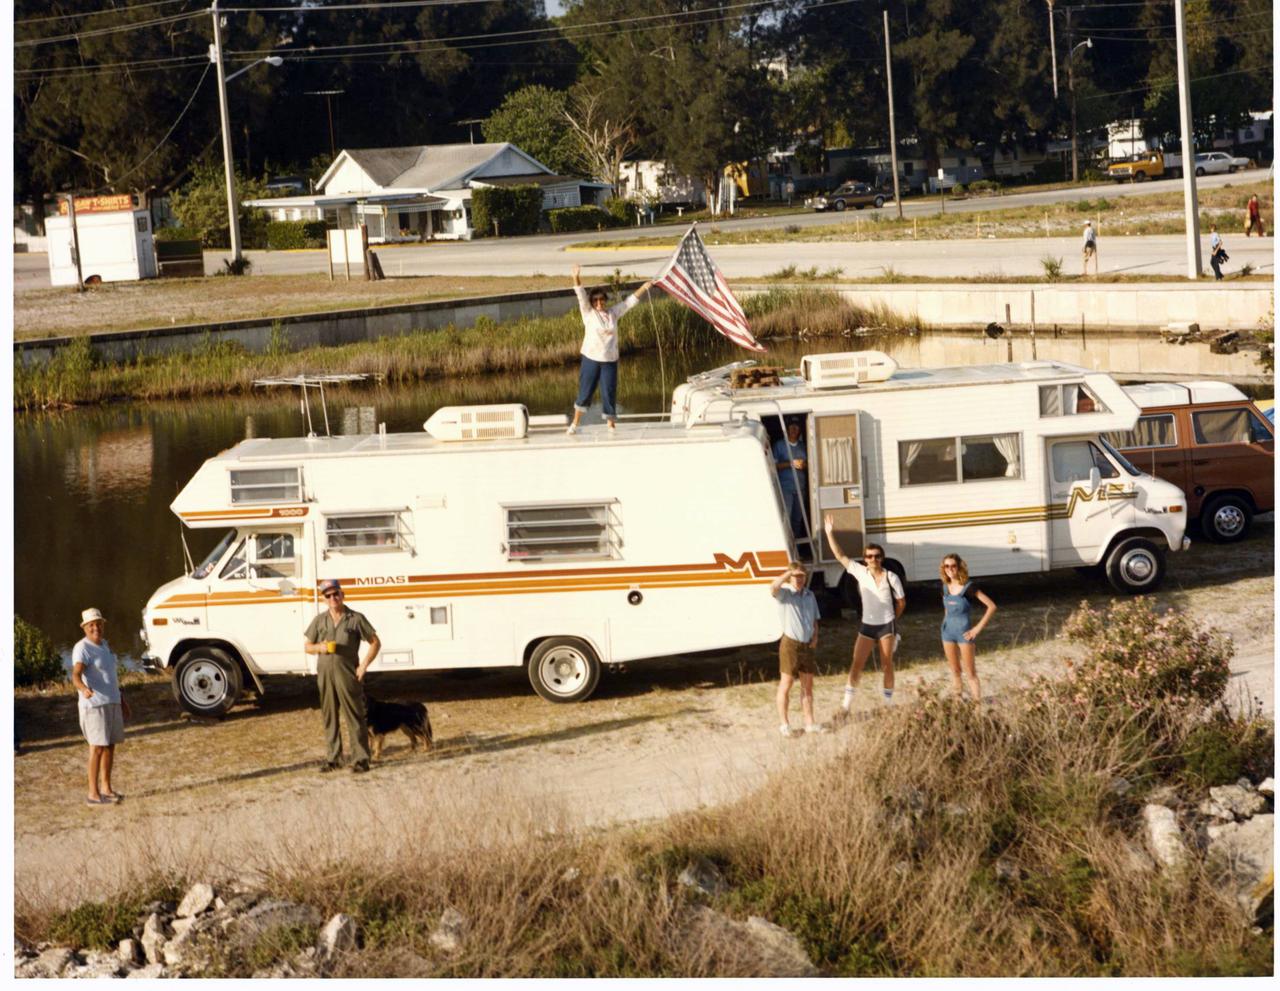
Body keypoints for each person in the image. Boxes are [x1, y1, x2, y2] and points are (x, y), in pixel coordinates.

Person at [823, 514, 905, 710]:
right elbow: (840, 556)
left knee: (887, 665)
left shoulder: (891, 577)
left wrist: (893, 620)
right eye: (869, 556)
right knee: (857, 664)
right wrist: (829, 533)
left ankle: (887, 704)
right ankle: (845, 707)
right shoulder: (860, 572)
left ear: (882, 558)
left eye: (876, 556)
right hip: (867, 625)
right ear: (864, 559)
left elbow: (901, 602)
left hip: (887, 625)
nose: (873, 559)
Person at [304, 579, 381, 774]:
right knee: (329, 717)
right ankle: (333, 759)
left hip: (347, 674)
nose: (332, 598)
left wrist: (363, 665)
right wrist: (319, 648)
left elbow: (375, 642)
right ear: (324, 599)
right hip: (325, 674)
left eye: (335, 594)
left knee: (354, 716)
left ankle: (361, 759)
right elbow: (307, 646)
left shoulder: (355, 618)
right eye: (328, 595)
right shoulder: (320, 620)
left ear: (342, 594)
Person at [567, 265, 654, 435]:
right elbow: (581, 295)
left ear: (605, 300)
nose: (599, 304)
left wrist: (644, 287)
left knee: (609, 392)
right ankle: (575, 423)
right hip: (591, 359)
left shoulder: (613, 313)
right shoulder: (588, 313)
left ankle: (611, 425)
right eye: (596, 301)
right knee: (585, 392)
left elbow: (629, 302)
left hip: (609, 361)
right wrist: (576, 277)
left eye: (601, 300)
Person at [71, 608, 130, 806]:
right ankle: (93, 794)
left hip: (112, 701)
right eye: (91, 625)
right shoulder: (82, 648)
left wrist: (122, 701)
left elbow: (110, 678)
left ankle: (106, 788)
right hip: (94, 705)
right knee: (96, 748)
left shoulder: (105, 645)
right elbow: (76, 675)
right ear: (85, 628)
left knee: (110, 746)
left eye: (98, 624)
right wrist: (83, 689)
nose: (95, 627)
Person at [770, 561, 824, 737]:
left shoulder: (810, 595)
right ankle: (784, 725)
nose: (798, 579)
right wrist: (788, 572)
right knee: (787, 683)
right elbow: (773, 587)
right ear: (790, 577)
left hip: (807, 644)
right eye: (795, 576)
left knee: (807, 686)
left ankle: (809, 723)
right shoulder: (785, 594)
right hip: (790, 644)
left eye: (801, 575)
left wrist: (815, 637)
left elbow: (815, 620)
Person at [938, 554, 996, 702]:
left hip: (964, 635)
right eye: (947, 566)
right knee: (955, 672)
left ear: (959, 567)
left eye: (953, 566)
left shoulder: (969, 587)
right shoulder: (945, 587)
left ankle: (977, 707)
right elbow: (947, 610)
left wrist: (977, 629)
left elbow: (992, 606)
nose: (950, 569)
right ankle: (958, 705)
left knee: (970, 673)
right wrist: (944, 625)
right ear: (943, 569)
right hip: (947, 634)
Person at [773, 417, 809, 538]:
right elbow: (774, 466)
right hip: (785, 488)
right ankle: (788, 547)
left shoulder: (803, 446)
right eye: (791, 426)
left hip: (801, 488)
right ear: (787, 429)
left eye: (796, 426)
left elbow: (811, 465)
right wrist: (791, 463)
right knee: (786, 518)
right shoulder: (779, 445)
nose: (794, 429)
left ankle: (797, 551)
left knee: (798, 519)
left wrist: (804, 465)